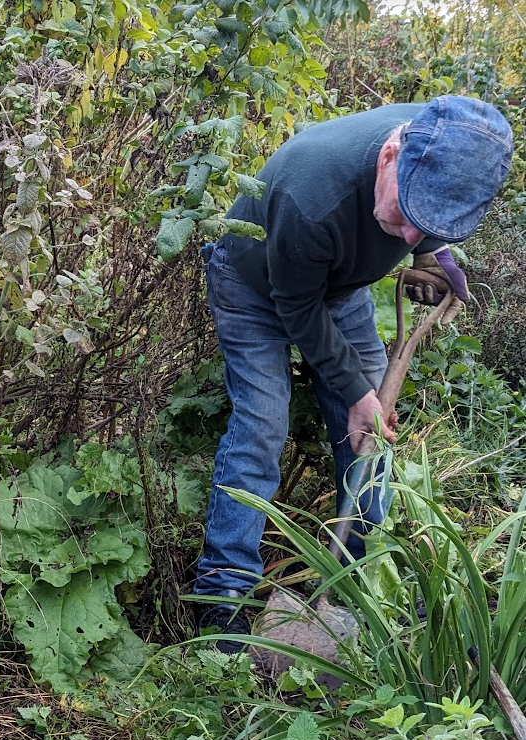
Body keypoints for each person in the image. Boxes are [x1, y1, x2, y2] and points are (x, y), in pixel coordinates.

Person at [194, 95, 513, 653]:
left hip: (338, 292)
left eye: (428, 224)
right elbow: (296, 308)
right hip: (255, 289)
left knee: (369, 441)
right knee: (261, 428)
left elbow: (420, 218)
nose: (409, 235)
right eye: (409, 216)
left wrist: (429, 254)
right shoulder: (311, 193)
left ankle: (358, 586)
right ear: (390, 155)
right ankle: (225, 601)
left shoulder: (442, 138)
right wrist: (357, 391)